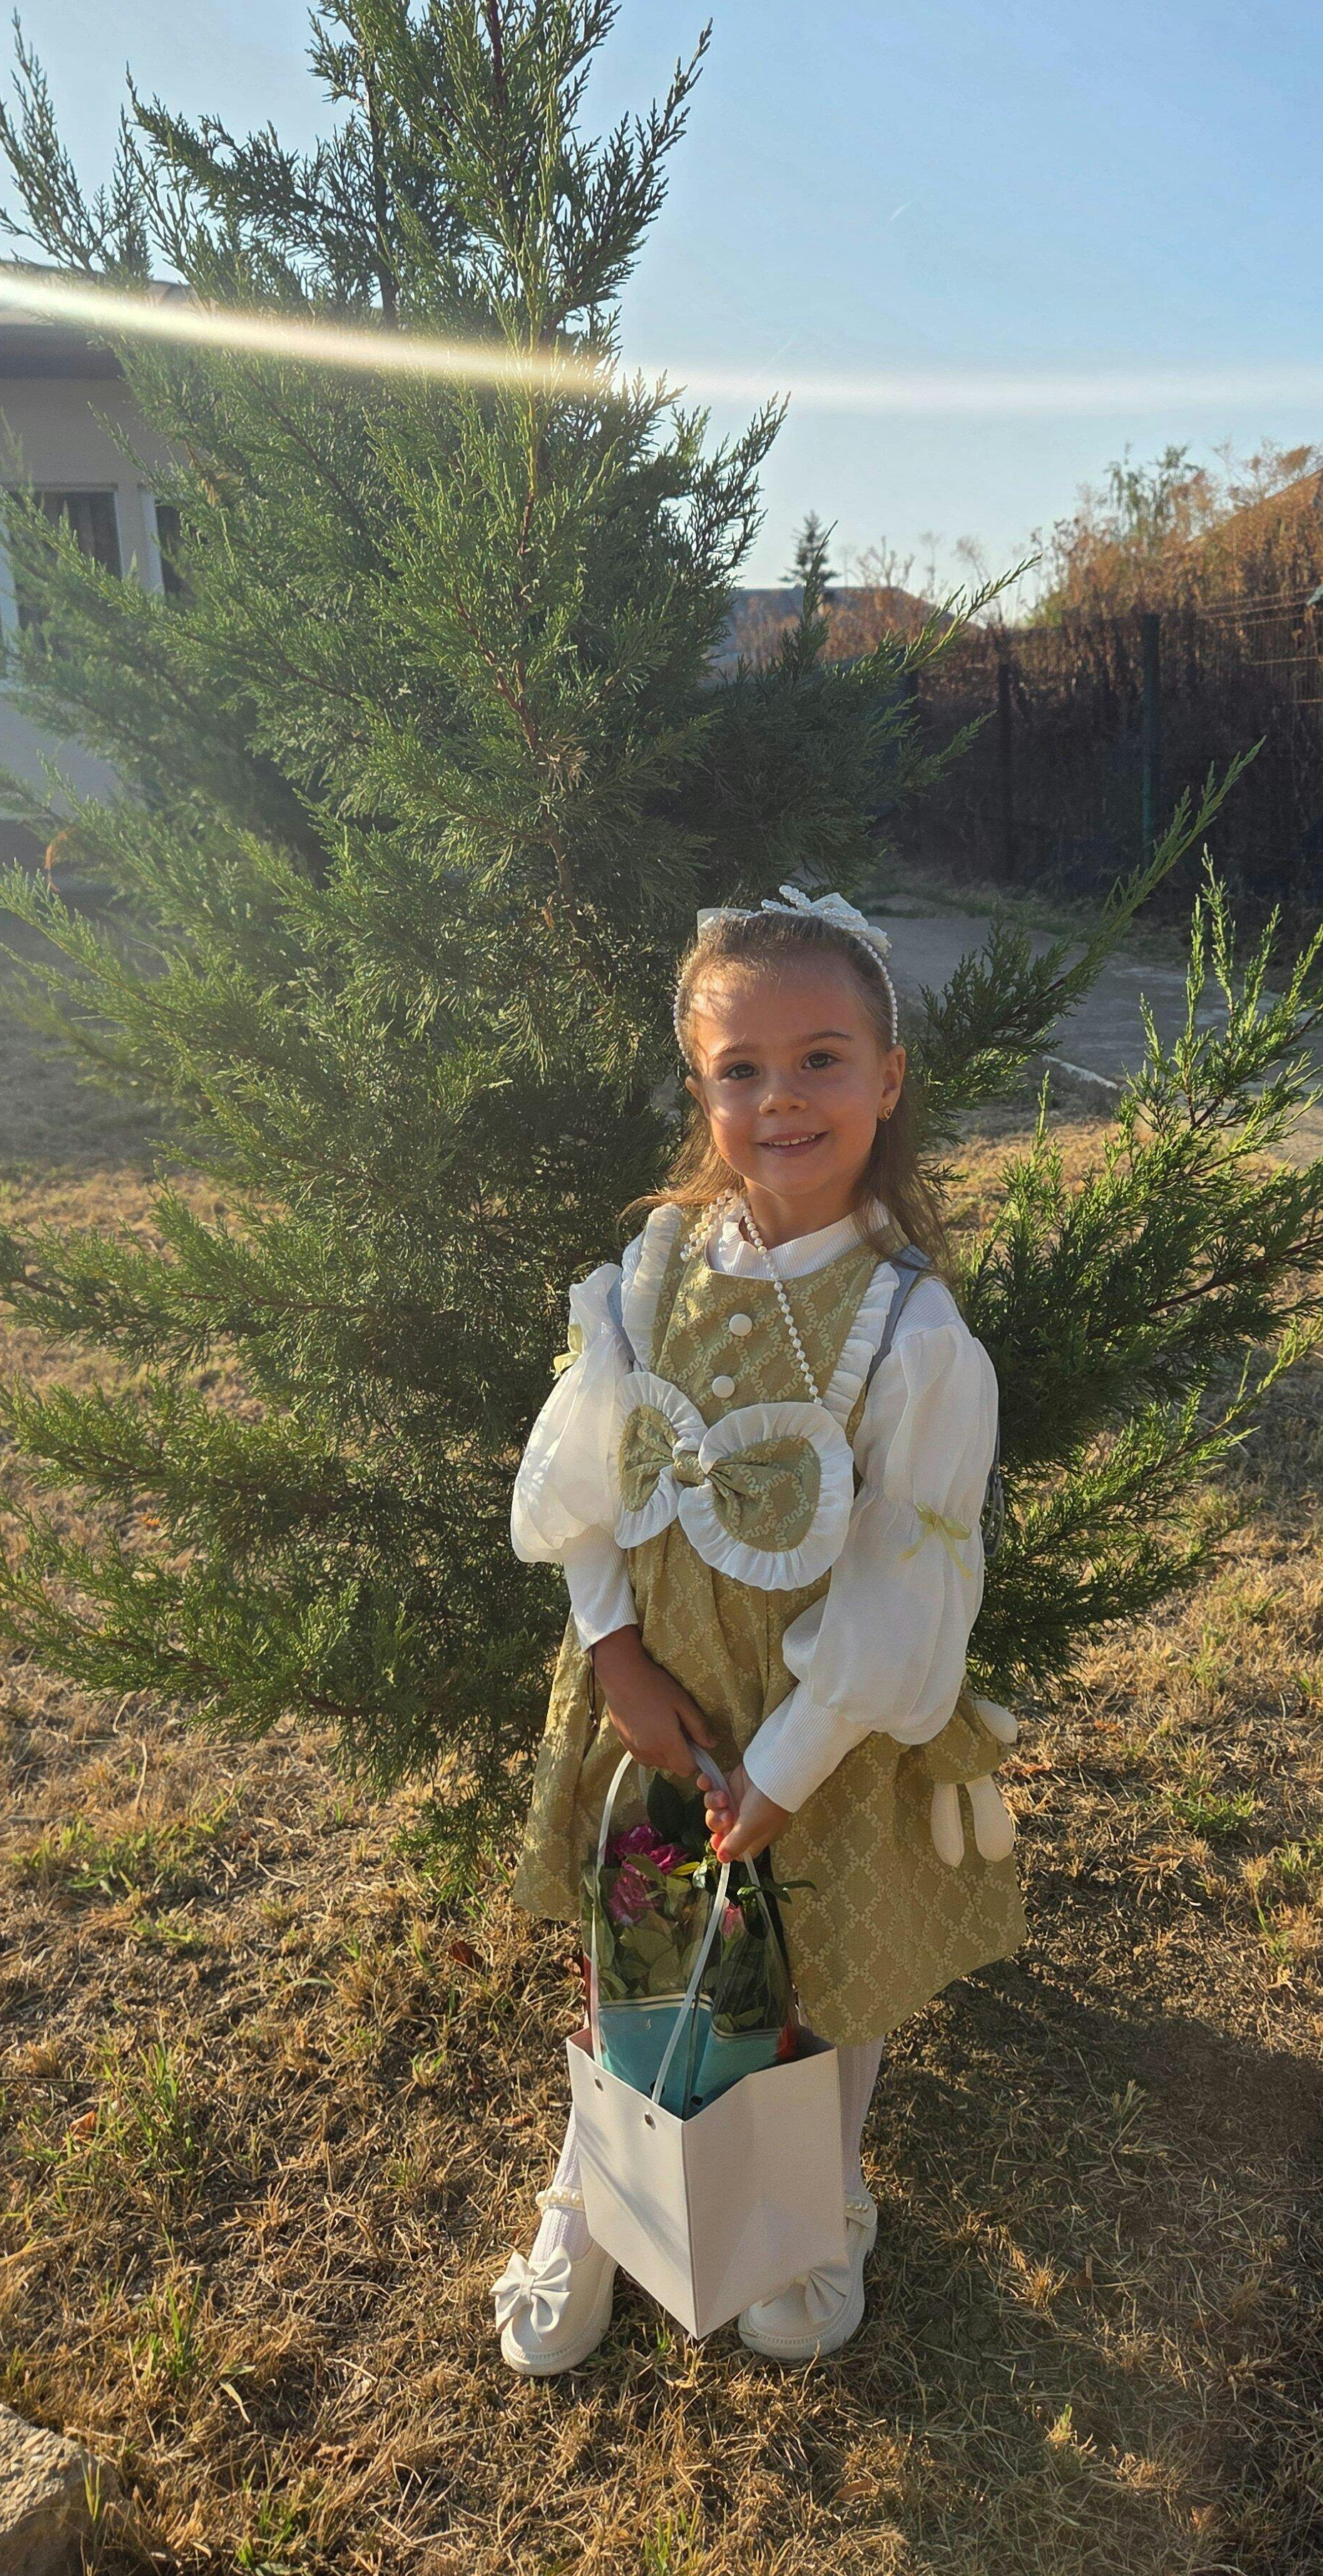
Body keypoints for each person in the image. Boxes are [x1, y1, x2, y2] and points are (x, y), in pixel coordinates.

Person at [494, 887, 1023, 2373]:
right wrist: (615, 1653)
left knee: (823, 1967)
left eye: (820, 1059)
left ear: (889, 1078)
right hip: (657, 1698)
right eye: (742, 1068)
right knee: (637, 1944)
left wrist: (789, 1763)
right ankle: (593, 2189)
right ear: (701, 1087)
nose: (780, 1097)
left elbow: (907, 1585)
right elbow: (586, 1482)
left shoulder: (915, 1333)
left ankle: (817, 2196)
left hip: (818, 1737)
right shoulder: (653, 1273)